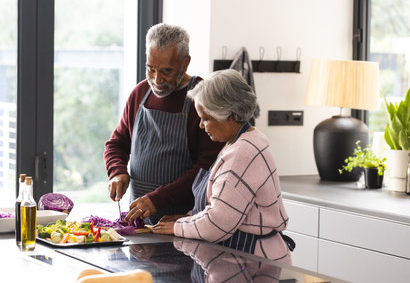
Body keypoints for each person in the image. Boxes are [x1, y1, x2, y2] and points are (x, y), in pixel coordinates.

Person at [152, 69, 294, 264]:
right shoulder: (242, 141)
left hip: (254, 262)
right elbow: (224, 204)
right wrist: (189, 217)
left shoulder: (243, 153)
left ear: (228, 114)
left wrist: (177, 227)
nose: (202, 125)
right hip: (243, 257)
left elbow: (216, 225)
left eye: (206, 118)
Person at [104, 23, 223, 225]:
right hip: (139, 223)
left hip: (184, 222)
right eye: (151, 69)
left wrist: (158, 199)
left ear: (185, 63)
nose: (157, 79)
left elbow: (206, 170)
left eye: (166, 71)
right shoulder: (140, 94)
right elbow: (117, 143)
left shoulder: (202, 98)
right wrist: (117, 172)